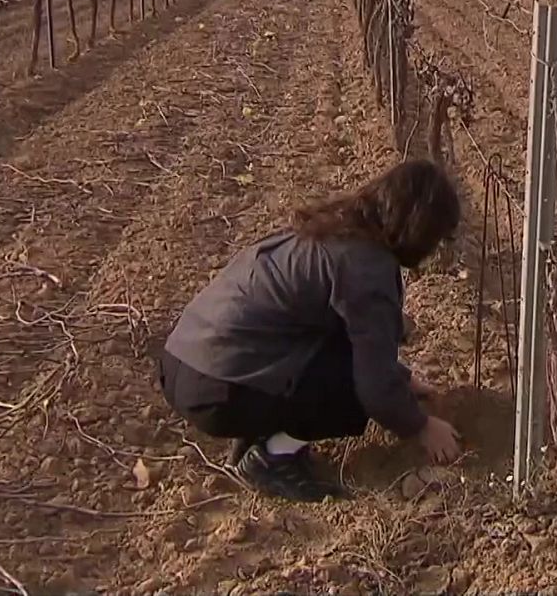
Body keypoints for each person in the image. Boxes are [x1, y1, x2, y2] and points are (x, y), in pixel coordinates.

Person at [158, 159, 464, 502]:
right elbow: (376, 388)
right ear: (419, 229)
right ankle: (271, 457)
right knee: (352, 388)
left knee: (338, 355)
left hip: (185, 362)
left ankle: (259, 435)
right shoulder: (368, 267)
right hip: (218, 389)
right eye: (436, 238)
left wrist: (402, 379)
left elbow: (346, 338)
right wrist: (421, 426)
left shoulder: (334, 229)